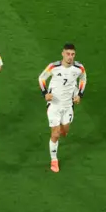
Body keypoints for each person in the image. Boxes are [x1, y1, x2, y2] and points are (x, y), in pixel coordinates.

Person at [38, 43, 87, 173]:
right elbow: (41, 78)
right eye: (68, 54)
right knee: (55, 134)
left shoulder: (79, 68)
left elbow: (83, 79)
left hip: (68, 105)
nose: (70, 57)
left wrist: (79, 95)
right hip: (54, 105)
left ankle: (60, 132)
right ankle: (54, 160)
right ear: (63, 53)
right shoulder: (53, 66)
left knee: (64, 132)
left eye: (72, 54)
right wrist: (45, 94)